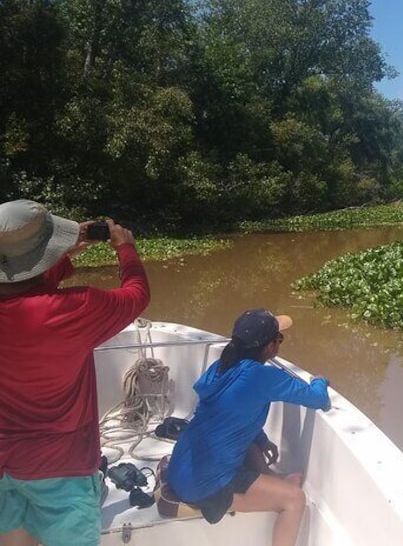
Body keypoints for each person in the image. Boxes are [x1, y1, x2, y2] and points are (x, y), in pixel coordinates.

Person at [0, 199, 151, 546]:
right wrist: (126, 249)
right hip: (61, 468)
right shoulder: (77, 308)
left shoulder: (56, 306)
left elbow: (20, 288)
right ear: (43, 256)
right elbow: (136, 295)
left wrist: (60, 256)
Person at [165, 309, 331, 546]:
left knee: (251, 443)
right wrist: (320, 381)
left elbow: (232, 415)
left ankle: (273, 479)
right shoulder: (263, 377)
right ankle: (279, 488)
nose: (279, 345)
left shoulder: (220, 367)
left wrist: (261, 439)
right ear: (268, 347)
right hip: (203, 487)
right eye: (279, 339)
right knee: (295, 500)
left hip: (180, 468)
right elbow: (319, 400)